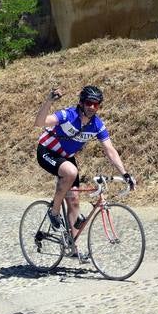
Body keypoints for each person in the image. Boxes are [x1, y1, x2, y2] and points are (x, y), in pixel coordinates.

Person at [35, 84, 135, 235]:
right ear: (81, 102)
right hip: (47, 151)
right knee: (70, 171)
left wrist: (125, 174)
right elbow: (39, 122)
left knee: (74, 200)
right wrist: (49, 101)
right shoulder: (68, 115)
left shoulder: (97, 125)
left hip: (66, 157)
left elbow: (110, 150)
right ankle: (54, 212)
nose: (92, 107)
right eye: (89, 103)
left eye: (96, 104)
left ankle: (73, 248)